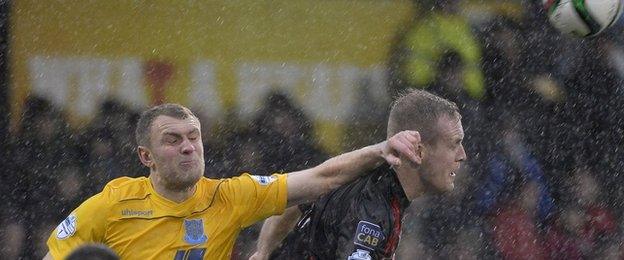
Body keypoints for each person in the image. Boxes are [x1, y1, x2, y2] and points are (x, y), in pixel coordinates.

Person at [44, 103, 421, 260]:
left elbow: (321, 178)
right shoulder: (112, 204)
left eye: (194, 137)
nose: (188, 147)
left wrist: (379, 149)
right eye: (173, 140)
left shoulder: (229, 196)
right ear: (147, 157)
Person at [249, 89, 467, 260]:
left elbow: (293, 201)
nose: (462, 155)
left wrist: (264, 251)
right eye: (454, 144)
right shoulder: (372, 211)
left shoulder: (366, 179)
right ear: (419, 151)